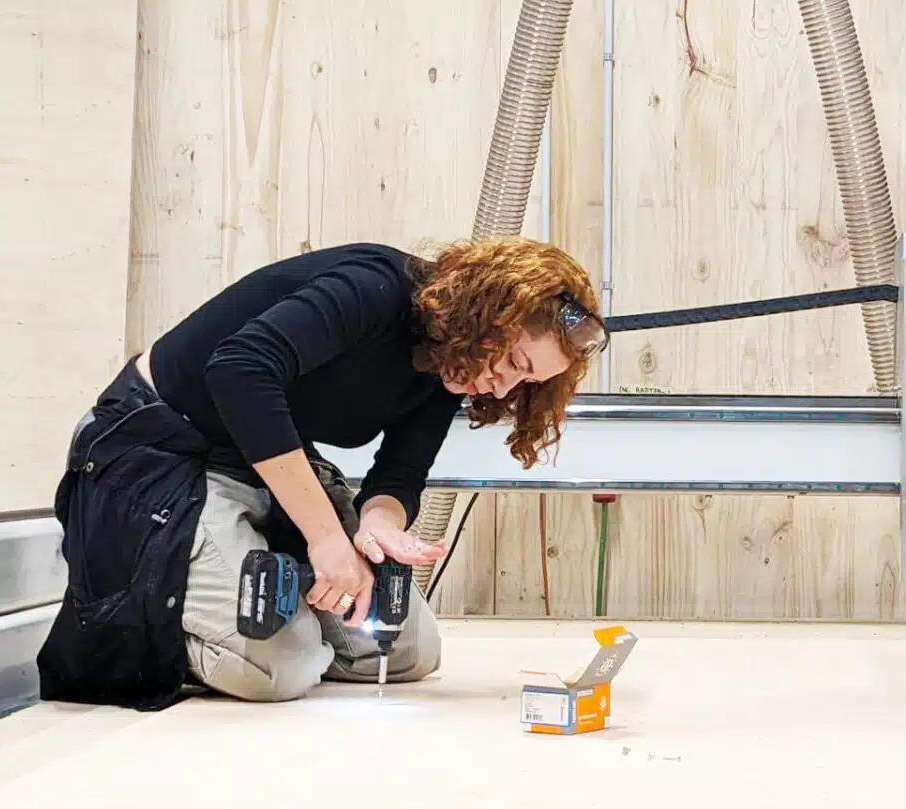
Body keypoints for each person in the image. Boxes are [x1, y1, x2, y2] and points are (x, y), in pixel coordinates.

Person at [37, 237, 605, 710]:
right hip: (161, 446)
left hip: (259, 467)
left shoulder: (449, 370)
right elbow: (239, 370)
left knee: (407, 651)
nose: (505, 385)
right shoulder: (374, 288)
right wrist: (326, 537)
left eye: (526, 382)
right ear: (487, 316)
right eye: (513, 362)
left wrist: (378, 525)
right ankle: (160, 620)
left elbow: (401, 471)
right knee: (279, 668)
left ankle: (276, 624)